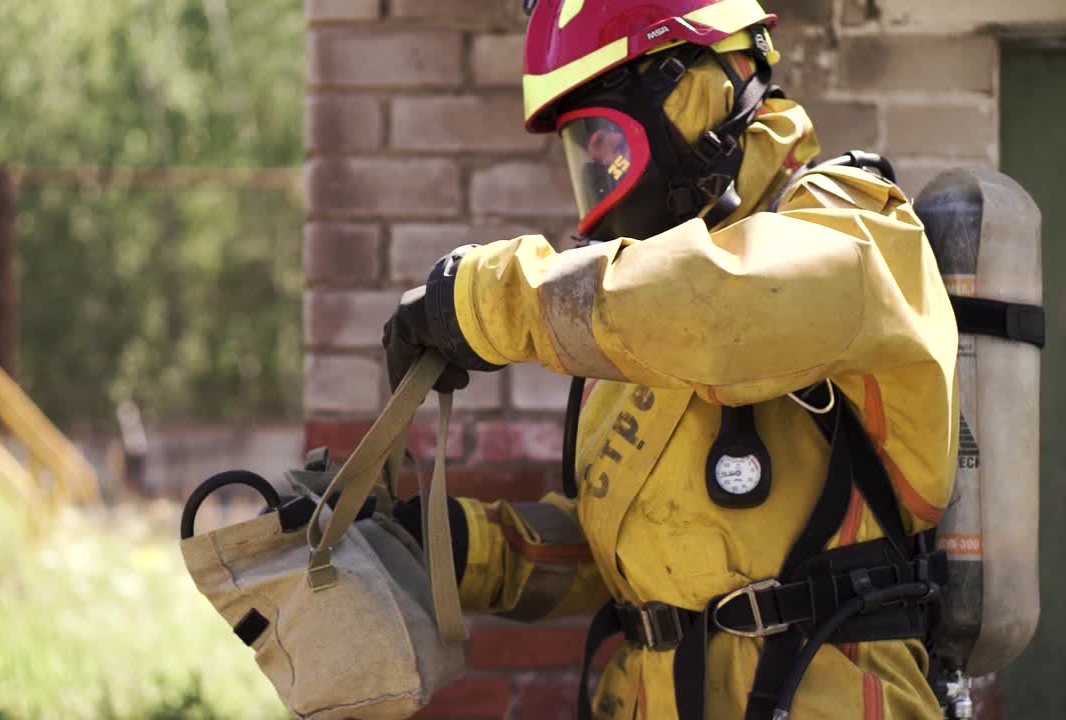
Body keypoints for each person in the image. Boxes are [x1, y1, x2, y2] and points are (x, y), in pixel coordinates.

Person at [381, 1, 958, 718]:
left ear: (719, 77)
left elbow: (731, 306)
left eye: (606, 131)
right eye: (582, 144)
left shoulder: (853, 223)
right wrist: (449, 546)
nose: (598, 161)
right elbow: (622, 557)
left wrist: (490, 302)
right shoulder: (631, 319)